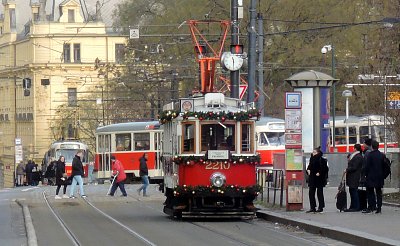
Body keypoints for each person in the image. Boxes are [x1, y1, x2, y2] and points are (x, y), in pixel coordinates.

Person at [363, 140, 384, 214]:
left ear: (372, 146)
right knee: (379, 192)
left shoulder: (370, 155)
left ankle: (371, 207)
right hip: (379, 176)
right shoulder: (381, 155)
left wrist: (365, 174)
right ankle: (379, 208)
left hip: (371, 176)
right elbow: (384, 166)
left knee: (370, 192)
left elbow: (367, 166)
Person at [306, 146, 329, 213]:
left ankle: (321, 207)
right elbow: (309, 167)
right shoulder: (311, 159)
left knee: (320, 193)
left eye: (314, 152)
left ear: (318, 152)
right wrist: (308, 170)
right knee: (311, 193)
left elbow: (325, 169)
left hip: (319, 179)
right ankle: (312, 207)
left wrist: (320, 173)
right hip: (312, 178)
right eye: (313, 152)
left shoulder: (322, 160)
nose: (313, 153)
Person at [344, 144, 363, 212]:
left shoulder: (358, 157)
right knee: (352, 191)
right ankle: (352, 206)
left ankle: (356, 206)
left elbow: (354, 167)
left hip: (354, 176)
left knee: (354, 191)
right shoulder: (355, 156)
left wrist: (347, 169)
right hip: (352, 177)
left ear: (355, 148)